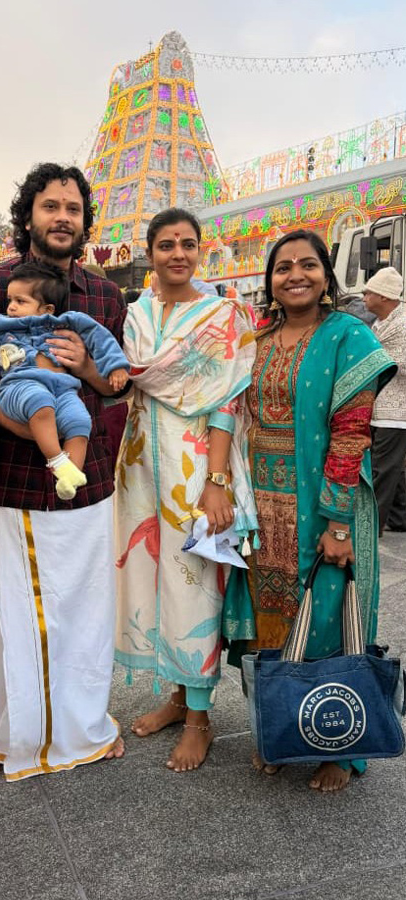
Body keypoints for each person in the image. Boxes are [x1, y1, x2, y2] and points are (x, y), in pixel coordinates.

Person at [0, 162, 125, 780]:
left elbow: (115, 384)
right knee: (7, 613)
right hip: (10, 478)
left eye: (73, 209)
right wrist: (23, 427)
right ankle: (2, 732)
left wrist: (82, 370)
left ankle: (87, 729)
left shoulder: (104, 296)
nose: (62, 218)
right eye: (50, 206)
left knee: (84, 608)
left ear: (85, 221)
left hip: (87, 478)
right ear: (27, 215)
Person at [231, 229, 394, 792]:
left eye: (307, 265)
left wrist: (340, 522)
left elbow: (352, 434)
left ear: (327, 275)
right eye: (282, 268)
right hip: (263, 505)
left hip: (325, 503)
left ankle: (341, 747)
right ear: (270, 281)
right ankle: (282, 730)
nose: (294, 275)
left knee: (328, 615)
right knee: (273, 621)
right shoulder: (257, 338)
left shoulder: (349, 335)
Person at [113, 209, 258, 772]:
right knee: (150, 578)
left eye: (188, 244)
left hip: (195, 463)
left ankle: (200, 716)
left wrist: (217, 481)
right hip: (140, 463)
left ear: (201, 251)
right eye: (167, 244)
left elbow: (226, 401)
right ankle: (175, 698)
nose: (179, 253)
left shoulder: (223, 315)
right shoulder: (133, 315)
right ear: (149, 251)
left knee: (195, 583)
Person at [0, 260, 129, 500]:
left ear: (47, 309)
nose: (11, 307)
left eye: (20, 301)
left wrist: (116, 366)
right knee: (39, 402)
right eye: (10, 300)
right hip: (19, 387)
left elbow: (100, 337)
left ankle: (70, 477)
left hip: (64, 390)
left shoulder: (68, 322)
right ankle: (56, 459)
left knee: (80, 420)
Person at [362, 266, 406, 531]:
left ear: (385, 298)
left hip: (397, 410)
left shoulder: (402, 324)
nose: (365, 296)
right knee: (393, 468)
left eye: (370, 292)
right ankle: (400, 518)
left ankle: (371, 524)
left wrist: (381, 362)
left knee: (383, 467)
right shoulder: (380, 324)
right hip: (381, 406)